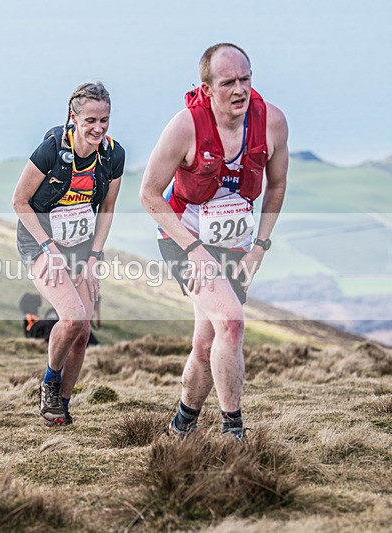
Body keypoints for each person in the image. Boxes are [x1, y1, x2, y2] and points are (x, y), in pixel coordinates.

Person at [140, 43, 289, 440]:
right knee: (232, 323)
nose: (239, 89)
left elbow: (276, 185)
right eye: (228, 83)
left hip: (237, 243)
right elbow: (149, 194)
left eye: (245, 79)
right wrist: (193, 249)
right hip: (183, 237)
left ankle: (181, 426)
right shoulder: (185, 126)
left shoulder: (271, 122)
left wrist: (260, 246)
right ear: (207, 89)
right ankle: (233, 433)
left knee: (208, 343)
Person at [12, 82, 125, 426]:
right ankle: (49, 382)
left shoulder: (112, 155)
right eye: (90, 119)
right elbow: (19, 202)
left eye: (104, 120)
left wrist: (93, 257)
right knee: (72, 317)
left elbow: (106, 209)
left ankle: (61, 404)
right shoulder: (50, 152)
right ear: (72, 117)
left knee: (83, 332)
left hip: (82, 248)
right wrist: (48, 246)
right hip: (42, 243)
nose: (98, 128)